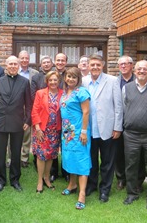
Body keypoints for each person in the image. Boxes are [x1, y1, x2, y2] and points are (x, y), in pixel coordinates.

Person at [82, 53, 123, 203]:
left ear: (102, 66)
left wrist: (118, 127)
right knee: (91, 160)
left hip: (107, 128)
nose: (95, 67)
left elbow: (118, 106)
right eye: (92, 65)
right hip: (90, 129)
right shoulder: (83, 81)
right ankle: (92, 185)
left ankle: (105, 189)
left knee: (107, 162)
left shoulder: (112, 81)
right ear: (88, 66)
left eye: (98, 65)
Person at [121, 60, 147, 210]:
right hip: (131, 134)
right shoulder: (126, 88)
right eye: (139, 69)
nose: (142, 71)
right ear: (135, 71)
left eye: (145, 69)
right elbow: (124, 108)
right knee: (131, 165)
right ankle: (132, 193)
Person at [0, 55, 32, 192]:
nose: (13, 66)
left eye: (15, 64)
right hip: (1, 122)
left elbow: (29, 104)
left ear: (19, 66)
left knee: (15, 153)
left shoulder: (25, 82)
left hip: (18, 122)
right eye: (11, 64)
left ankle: (15, 180)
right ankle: (0, 180)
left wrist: (27, 121)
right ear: (6, 66)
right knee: (0, 153)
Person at [60, 67, 91, 210]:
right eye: (68, 76)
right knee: (70, 158)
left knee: (81, 160)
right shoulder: (65, 92)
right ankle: (72, 185)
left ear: (78, 79)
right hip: (67, 133)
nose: (70, 79)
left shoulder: (82, 92)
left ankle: (82, 194)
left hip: (79, 132)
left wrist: (83, 132)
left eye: (74, 77)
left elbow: (86, 112)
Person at [115, 55, 146, 191]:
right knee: (119, 152)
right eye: (120, 64)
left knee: (138, 154)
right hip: (119, 124)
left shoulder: (139, 80)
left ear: (132, 66)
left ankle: (138, 181)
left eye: (126, 64)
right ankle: (121, 178)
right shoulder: (114, 82)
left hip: (136, 124)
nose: (123, 66)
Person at [31, 71, 63, 193]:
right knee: (41, 155)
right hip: (42, 129)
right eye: (50, 80)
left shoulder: (63, 94)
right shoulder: (40, 93)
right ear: (47, 81)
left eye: (55, 80)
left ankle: (47, 178)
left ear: (58, 81)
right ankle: (40, 180)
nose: (53, 82)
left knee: (51, 155)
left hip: (55, 130)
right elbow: (35, 111)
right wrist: (38, 128)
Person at [50, 52, 70, 182]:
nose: (60, 62)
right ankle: (53, 172)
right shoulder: (51, 75)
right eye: (58, 60)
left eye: (63, 60)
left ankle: (66, 172)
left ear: (66, 62)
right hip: (53, 116)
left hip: (67, 117)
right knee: (53, 145)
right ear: (55, 62)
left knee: (66, 145)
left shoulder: (70, 75)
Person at [18, 50, 38, 168]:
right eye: (22, 58)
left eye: (26, 58)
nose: (24, 60)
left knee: (26, 134)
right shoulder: (13, 70)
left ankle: (24, 158)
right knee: (13, 133)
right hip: (15, 107)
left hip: (28, 106)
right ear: (18, 59)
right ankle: (11, 158)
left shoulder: (34, 73)